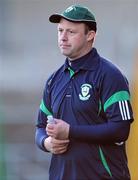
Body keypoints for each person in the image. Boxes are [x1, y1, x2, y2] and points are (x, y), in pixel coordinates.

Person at [35, 4, 134, 180]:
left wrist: (70, 131)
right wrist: (46, 142)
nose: (63, 38)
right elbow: (40, 127)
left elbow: (121, 130)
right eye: (60, 31)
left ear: (90, 35)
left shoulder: (110, 76)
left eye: (71, 32)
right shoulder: (53, 79)